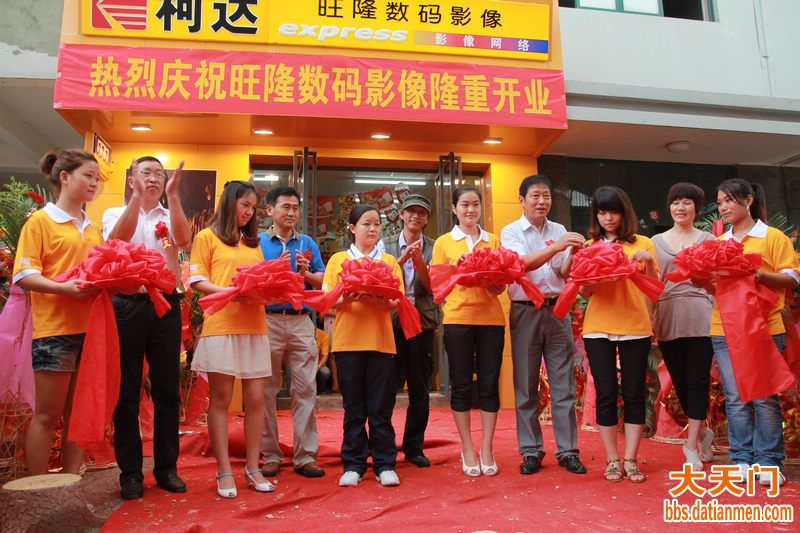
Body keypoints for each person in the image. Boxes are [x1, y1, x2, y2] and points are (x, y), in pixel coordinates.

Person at [102, 156, 192, 499]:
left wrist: (175, 196)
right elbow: (115, 241)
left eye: (159, 174)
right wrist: (138, 199)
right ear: (131, 180)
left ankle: (167, 468)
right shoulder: (114, 212)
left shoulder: (169, 214)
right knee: (127, 390)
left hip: (165, 306)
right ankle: (130, 473)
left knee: (167, 390)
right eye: (146, 173)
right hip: (127, 304)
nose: (153, 178)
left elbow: (183, 241)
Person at [13, 149, 103, 475]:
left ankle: (70, 485)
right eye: (87, 176)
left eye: (97, 178)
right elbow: (24, 274)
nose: (94, 183)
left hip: (90, 330)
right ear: (64, 177)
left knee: (78, 414)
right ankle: (38, 491)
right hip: (54, 332)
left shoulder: (92, 228)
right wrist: (65, 288)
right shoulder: (41, 222)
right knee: (47, 415)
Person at [709, 179, 798, 487]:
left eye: (729, 200)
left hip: (764, 328)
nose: (723, 207)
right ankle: (741, 459)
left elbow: (792, 278)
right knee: (736, 397)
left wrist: (758, 274)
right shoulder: (720, 242)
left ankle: (769, 461)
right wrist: (700, 279)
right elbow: (714, 288)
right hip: (724, 328)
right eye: (720, 202)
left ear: (748, 201)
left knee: (764, 397)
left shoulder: (772, 236)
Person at [188, 180, 273, 498]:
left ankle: (253, 467)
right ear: (229, 203)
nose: (249, 212)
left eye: (253, 207)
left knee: (256, 400)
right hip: (222, 325)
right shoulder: (206, 237)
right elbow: (196, 280)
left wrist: (267, 290)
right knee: (221, 399)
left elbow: (261, 280)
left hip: (255, 326)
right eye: (244, 205)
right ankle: (224, 470)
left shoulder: (253, 243)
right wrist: (232, 292)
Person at [500, 175, 587, 475]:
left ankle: (568, 451)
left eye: (546, 196)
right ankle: (530, 451)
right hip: (525, 311)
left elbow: (561, 272)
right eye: (535, 196)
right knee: (526, 386)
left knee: (564, 386)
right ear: (521, 200)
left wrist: (573, 254)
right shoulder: (510, 231)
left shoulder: (559, 230)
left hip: (558, 310)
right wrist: (558, 246)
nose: (542, 201)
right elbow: (520, 265)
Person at [581, 186, 658, 483]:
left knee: (635, 392)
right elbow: (584, 291)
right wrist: (597, 274)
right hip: (597, 328)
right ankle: (612, 459)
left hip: (635, 327)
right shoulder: (590, 246)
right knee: (606, 393)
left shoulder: (643, 243)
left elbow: (654, 287)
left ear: (625, 213)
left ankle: (631, 459)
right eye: (602, 212)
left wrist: (647, 263)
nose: (608, 218)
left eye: (613, 212)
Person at [323, 204, 404, 488]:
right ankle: (353, 464)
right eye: (366, 224)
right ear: (352, 228)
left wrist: (380, 297)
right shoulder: (338, 260)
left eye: (376, 224)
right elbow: (327, 301)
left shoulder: (389, 261)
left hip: (382, 342)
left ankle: (384, 463)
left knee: (381, 407)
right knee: (353, 407)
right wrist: (348, 297)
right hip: (348, 342)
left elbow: (396, 301)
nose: (372, 229)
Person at [431, 184, 505, 477]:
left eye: (475, 204)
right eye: (464, 204)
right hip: (458, 319)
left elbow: (501, 285)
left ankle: (487, 448)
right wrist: (461, 274)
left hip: (491, 320)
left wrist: (493, 283)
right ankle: (468, 448)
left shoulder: (493, 240)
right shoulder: (444, 243)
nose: (471, 210)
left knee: (489, 384)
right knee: (461, 384)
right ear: (454, 209)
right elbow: (438, 283)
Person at [258, 187, 326, 479]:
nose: (291, 212)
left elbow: (322, 281)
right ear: (269, 210)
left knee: (306, 390)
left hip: (301, 321)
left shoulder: (307, 242)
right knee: (265, 390)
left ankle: (305, 456)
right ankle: (270, 455)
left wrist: (306, 273)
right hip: (267, 320)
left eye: (295, 208)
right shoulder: (257, 242)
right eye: (285, 207)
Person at [651, 183, 715, 471]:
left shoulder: (708, 241)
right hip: (668, 315)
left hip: (701, 314)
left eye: (687, 202)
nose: (680, 207)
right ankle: (702, 433)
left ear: (696, 208)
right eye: (676, 202)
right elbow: (652, 283)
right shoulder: (655, 242)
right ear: (669, 207)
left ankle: (691, 446)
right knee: (680, 382)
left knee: (698, 380)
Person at [381, 194, 441, 468]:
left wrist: (420, 266)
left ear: (426, 219)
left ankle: (414, 448)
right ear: (402, 215)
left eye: (421, 212)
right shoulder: (386, 245)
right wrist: (401, 259)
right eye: (410, 212)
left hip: (421, 323)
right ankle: (384, 447)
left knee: (420, 388)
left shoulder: (435, 247)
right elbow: (381, 279)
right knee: (387, 387)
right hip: (391, 323)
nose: (415, 216)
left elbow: (435, 288)